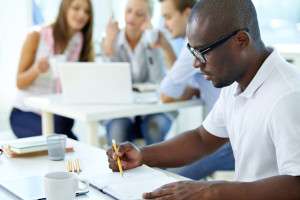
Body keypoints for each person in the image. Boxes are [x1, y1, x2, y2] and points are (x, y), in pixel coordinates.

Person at [106, 0, 300, 199]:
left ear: (241, 40)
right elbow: (202, 138)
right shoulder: (236, 83)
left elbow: (296, 185)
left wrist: (211, 191)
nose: (196, 63)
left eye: (203, 52)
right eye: (192, 51)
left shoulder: (288, 96)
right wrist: (143, 155)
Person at [151, 0, 234, 180]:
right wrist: (166, 47)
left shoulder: (198, 43)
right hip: (219, 132)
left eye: (168, 17)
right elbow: (187, 88)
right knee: (165, 165)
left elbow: (167, 93)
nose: (164, 24)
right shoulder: (198, 43)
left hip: (232, 139)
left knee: (168, 177)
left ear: (188, 14)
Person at [10, 0, 94, 140]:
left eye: (87, 11)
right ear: (64, 8)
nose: (82, 14)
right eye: (76, 8)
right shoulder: (36, 35)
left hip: (57, 114)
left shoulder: (81, 42)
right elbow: (19, 82)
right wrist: (36, 70)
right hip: (25, 112)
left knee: (65, 125)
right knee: (63, 137)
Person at [102, 0, 169, 146]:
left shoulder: (157, 39)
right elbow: (110, 86)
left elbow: (158, 79)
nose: (132, 17)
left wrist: (153, 46)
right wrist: (109, 49)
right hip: (122, 112)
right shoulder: (110, 41)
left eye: (139, 14)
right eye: (128, 11)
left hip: (153, 110)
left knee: (154, 129)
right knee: (117, 133)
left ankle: (157, 169)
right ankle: (119, 170)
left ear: (149, 18)